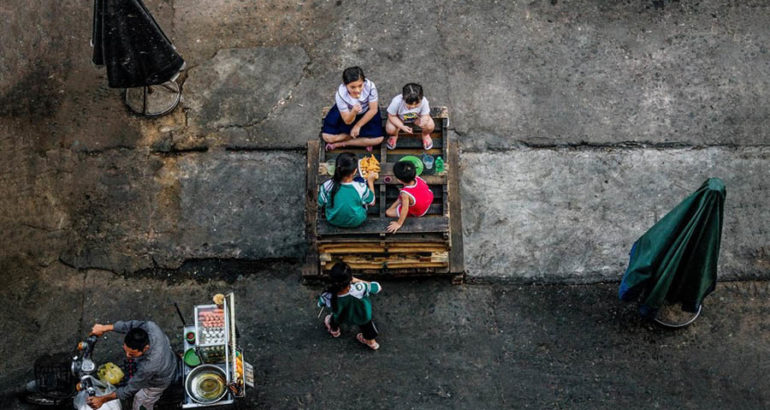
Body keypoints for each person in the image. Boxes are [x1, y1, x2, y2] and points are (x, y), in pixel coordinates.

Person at [86, 321, 177, 410]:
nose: (127, 355)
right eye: (125, 350)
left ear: (146, 348)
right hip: (167, 354)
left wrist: (102, 399)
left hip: (161, 379)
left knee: (140, 400)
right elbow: (130, 325)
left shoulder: (149, 366)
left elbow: (129, 389)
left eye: (132, 354)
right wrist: (104, 328)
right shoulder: (151, 327)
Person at [317, 262, 382, 350]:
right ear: (350, 278)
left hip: (341, 316)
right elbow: (377, 287)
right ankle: (372, 343)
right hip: (362, 316)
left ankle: (335, 331)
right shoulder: (360, 288)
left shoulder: (328, 295)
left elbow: (320, 303)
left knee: (333, 319)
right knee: (367, 327)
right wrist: (358, 280)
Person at [321, 66, 385, 151]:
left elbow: (373, 110)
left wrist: (358, 126)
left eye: (360, 85)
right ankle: (360, 138)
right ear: (345, 85)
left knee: (379, 139)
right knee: (327, 137)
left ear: (364, 82)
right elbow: (347, 120)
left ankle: (342, 143)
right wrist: (354, 112)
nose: (357, 90)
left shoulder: (370, 87)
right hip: (348, 115)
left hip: (366, 113)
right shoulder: (340, 95)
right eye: (352, 87)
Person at [318, 152, 378, 228]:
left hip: (332, 219)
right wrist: (370, 182)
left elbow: (320, 203)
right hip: (356, 221)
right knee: (360, 181)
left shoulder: (327, 185)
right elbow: (372, 202)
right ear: (355, 171)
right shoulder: (360, 187)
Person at [386, 160, 434, 233]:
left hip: (419, 211)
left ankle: (400, 201)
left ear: (399, 180)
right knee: (405, 197)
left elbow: (405, 209)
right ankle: (401, 199)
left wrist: (399, 223)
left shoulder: (405, 194)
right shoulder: (417, 178)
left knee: (388, 212)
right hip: (428, 198)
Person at [385, 83, 434, 150]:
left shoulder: (424, 101)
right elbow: (391, 116)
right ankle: (394, 135)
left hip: (417, 118)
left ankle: (425, 135)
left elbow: (426, 114)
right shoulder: (396, 101)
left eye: (416, 105)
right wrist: (402, 126)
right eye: (409, 104)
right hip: (400, 118)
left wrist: (423, 120)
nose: (412, 107)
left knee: (430, 125)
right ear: (403, 98)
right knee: (390, 129)